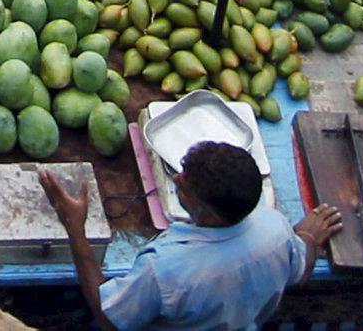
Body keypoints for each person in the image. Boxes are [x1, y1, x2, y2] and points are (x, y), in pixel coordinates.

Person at [48, 138, 339, 331]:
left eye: (184, 186)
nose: (175, 179)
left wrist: (76, 230)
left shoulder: (164, 270)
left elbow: (109, 315)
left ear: (208, 212)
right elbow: (300, 270)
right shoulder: (276, 228)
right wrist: (309, 237)